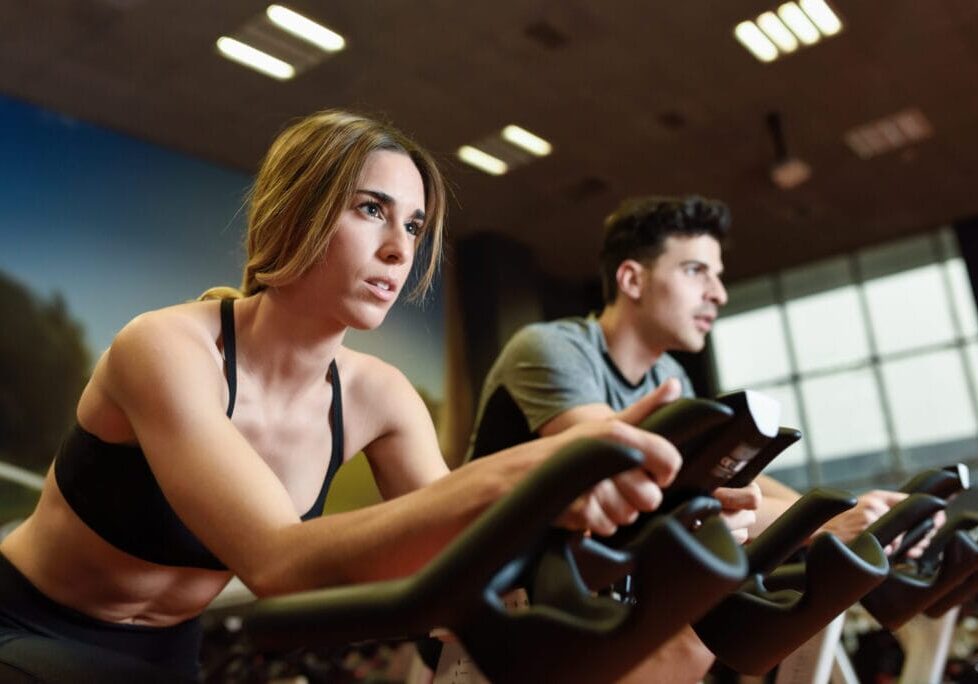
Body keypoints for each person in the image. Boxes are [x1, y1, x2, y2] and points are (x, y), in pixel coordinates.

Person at [0, 111, 684, 682]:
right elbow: (279, 562)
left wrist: (634, 522)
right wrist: (536, 466)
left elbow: (462, 555)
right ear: (295, 212)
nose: (399, 249)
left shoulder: (378, 397)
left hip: (172, 653)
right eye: (371, 210)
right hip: (28, 624)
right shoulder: (166, 349)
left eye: (414, 226)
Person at [466, 195, 920, 681]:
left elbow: (737, 478)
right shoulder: (553, 349)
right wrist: (817, 524)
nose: (718, 293)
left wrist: (844, 511)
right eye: (695, 271)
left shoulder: (669, 374)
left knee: (714, 611)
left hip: (593, 584)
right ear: (632, 279)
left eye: (717, 275)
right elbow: (644, 483)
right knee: (696, 621)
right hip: (494, 597)